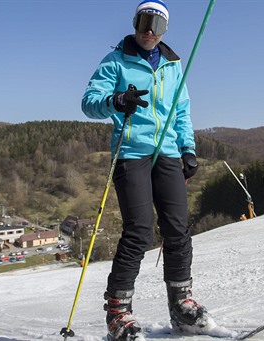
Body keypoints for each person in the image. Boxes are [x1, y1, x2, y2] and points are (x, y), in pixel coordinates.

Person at [81, 1, 206, 339]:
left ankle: (181, 306)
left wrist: (188, 149)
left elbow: (181, 111)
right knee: (139, 231)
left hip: (165, 151)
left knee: (178, 230)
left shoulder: (172, 65)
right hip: (131, 153)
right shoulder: (116, 60)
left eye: (158, 25)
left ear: (165, 30)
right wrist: (116, 101)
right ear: (135, 22)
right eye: (145, 22)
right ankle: (118, 312)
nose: (150, 31)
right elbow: (89, 102)